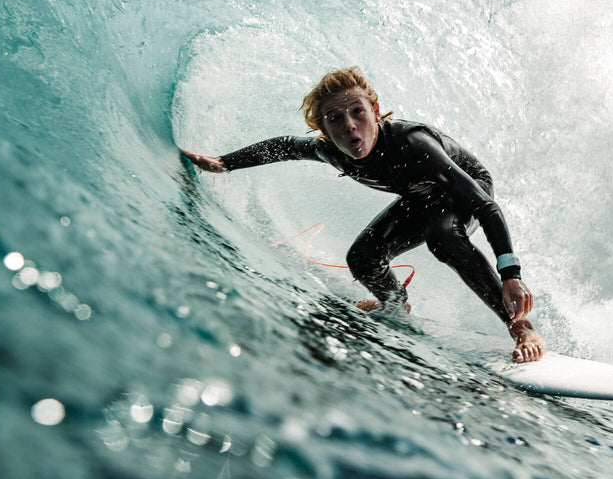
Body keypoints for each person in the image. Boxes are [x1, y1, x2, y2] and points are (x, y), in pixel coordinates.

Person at [181, 66, 545, 363]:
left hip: (465, 191)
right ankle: (395, 304)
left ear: (375, 110)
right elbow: (286, 146)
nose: (350, 127)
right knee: (363, 257)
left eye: (358, 112)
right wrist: (225, 163)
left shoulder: (413, 143)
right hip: (421, 197)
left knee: (443, 237)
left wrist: (510, 273)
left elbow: (485, 205)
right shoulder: (332, 151)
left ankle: (520, 327)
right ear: (323, 130)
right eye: (335, 119)